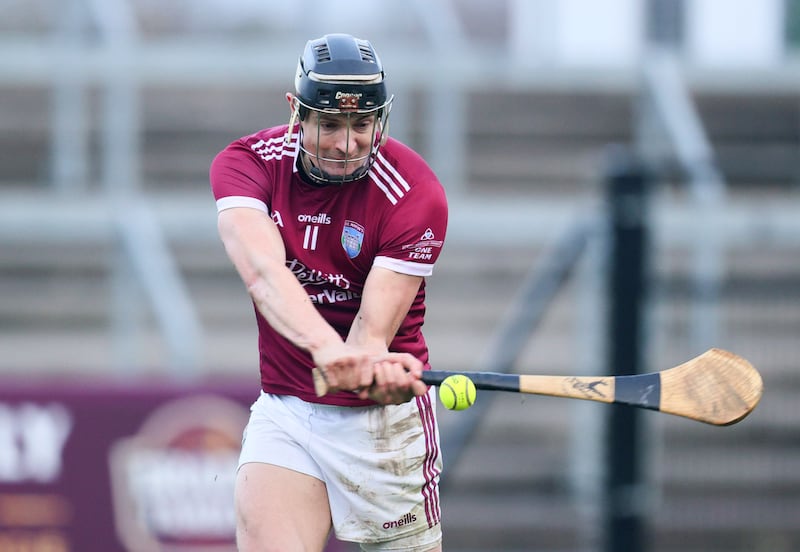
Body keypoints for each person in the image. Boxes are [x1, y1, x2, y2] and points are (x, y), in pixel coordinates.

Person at [209, 33, 449, 552]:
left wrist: (371, 371)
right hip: (288, 408)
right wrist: (327, 350)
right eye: (331, 125)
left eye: (362, 125)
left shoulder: (415, 193)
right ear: (296, 111)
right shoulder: (248, 163)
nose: (347, 144)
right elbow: (264, 272)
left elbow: (371, 334)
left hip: (383, 425)